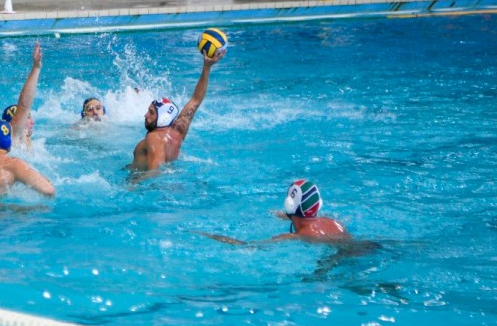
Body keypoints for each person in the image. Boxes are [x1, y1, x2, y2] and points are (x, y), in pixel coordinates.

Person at [129, 49, 225, 178]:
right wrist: (207, 67)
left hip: (138, 184)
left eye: (151, 113)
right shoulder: (178, 132)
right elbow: (196, 100)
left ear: (163, 118)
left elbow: (154, 173)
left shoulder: (155, 138)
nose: (145, 115)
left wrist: (129, 188)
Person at [199, 180, 352, 245]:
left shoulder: (296, 236)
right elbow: (304, 216)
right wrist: (285, 216)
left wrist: (213, 236)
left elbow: (249, 246)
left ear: (290, 205)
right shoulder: (333, 222)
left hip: (343, 260)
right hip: (368, 247)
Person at [0, 42, 43, 149]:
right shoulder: (13, 139)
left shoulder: (26, 140)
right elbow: (24, 105)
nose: (33, 122)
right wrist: (36, 68)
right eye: (27, 117)